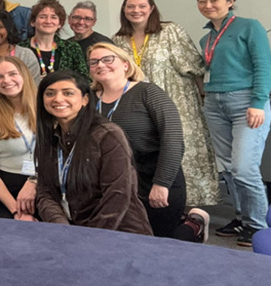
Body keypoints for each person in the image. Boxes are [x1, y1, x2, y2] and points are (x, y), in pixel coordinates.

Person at [88, 43, 210, 242]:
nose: (101, 65)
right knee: (119, 241)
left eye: (108, 59)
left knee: (160, 244)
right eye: (94, 62)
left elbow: (172, 138)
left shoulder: (148, 92)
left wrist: (162, 183)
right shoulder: (89, 100)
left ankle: (194, 226)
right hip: (114, 181)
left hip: (153, 178)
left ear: (126, 65)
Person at [112, 0, 218, 207]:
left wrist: (203, 98)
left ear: (151, 8)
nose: (136, 10)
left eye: (142, 6)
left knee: (179, 149)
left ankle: (188, 206)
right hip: (138, 106)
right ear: (124, 10)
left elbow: (194, 67)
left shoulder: (170, 31)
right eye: (130, 6)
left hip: (177, 101)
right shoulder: (118, 40)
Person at [197, 0, 271, 247]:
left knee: (244, 167)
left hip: (247, 102)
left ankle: (258, 226)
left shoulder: (249, 26)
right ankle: (242, 217)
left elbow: (264, 65)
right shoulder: (205, 39)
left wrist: (258, 102)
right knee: (229, 169)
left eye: (214, 0)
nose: (208, 5)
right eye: (202, 1)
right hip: (214, 103)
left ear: (230, 1)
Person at [34, 70, 151, 235]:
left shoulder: (107, 135)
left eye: (68, 93)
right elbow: (45, 194)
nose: (58, 99)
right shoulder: (47, 139)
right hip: (72, 233)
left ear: (84, 100)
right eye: (50, 93)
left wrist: (89, 238)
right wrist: (63, 230)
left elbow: (117, 195)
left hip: (118, 232)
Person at [0, 56, 39, 220]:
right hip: (5, 188)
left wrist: (34, 181)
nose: (6, 80)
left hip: (44, 182)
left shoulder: (46, 108)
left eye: (12, 74)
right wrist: (16, 211)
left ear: (25, 75)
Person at [18, 0, 88, 80]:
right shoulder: (21, 49)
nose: (48, 21)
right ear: (33, 22)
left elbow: (85, 79)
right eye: (42, 17)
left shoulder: (72, 48)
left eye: (53, 17)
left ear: (60, 24)